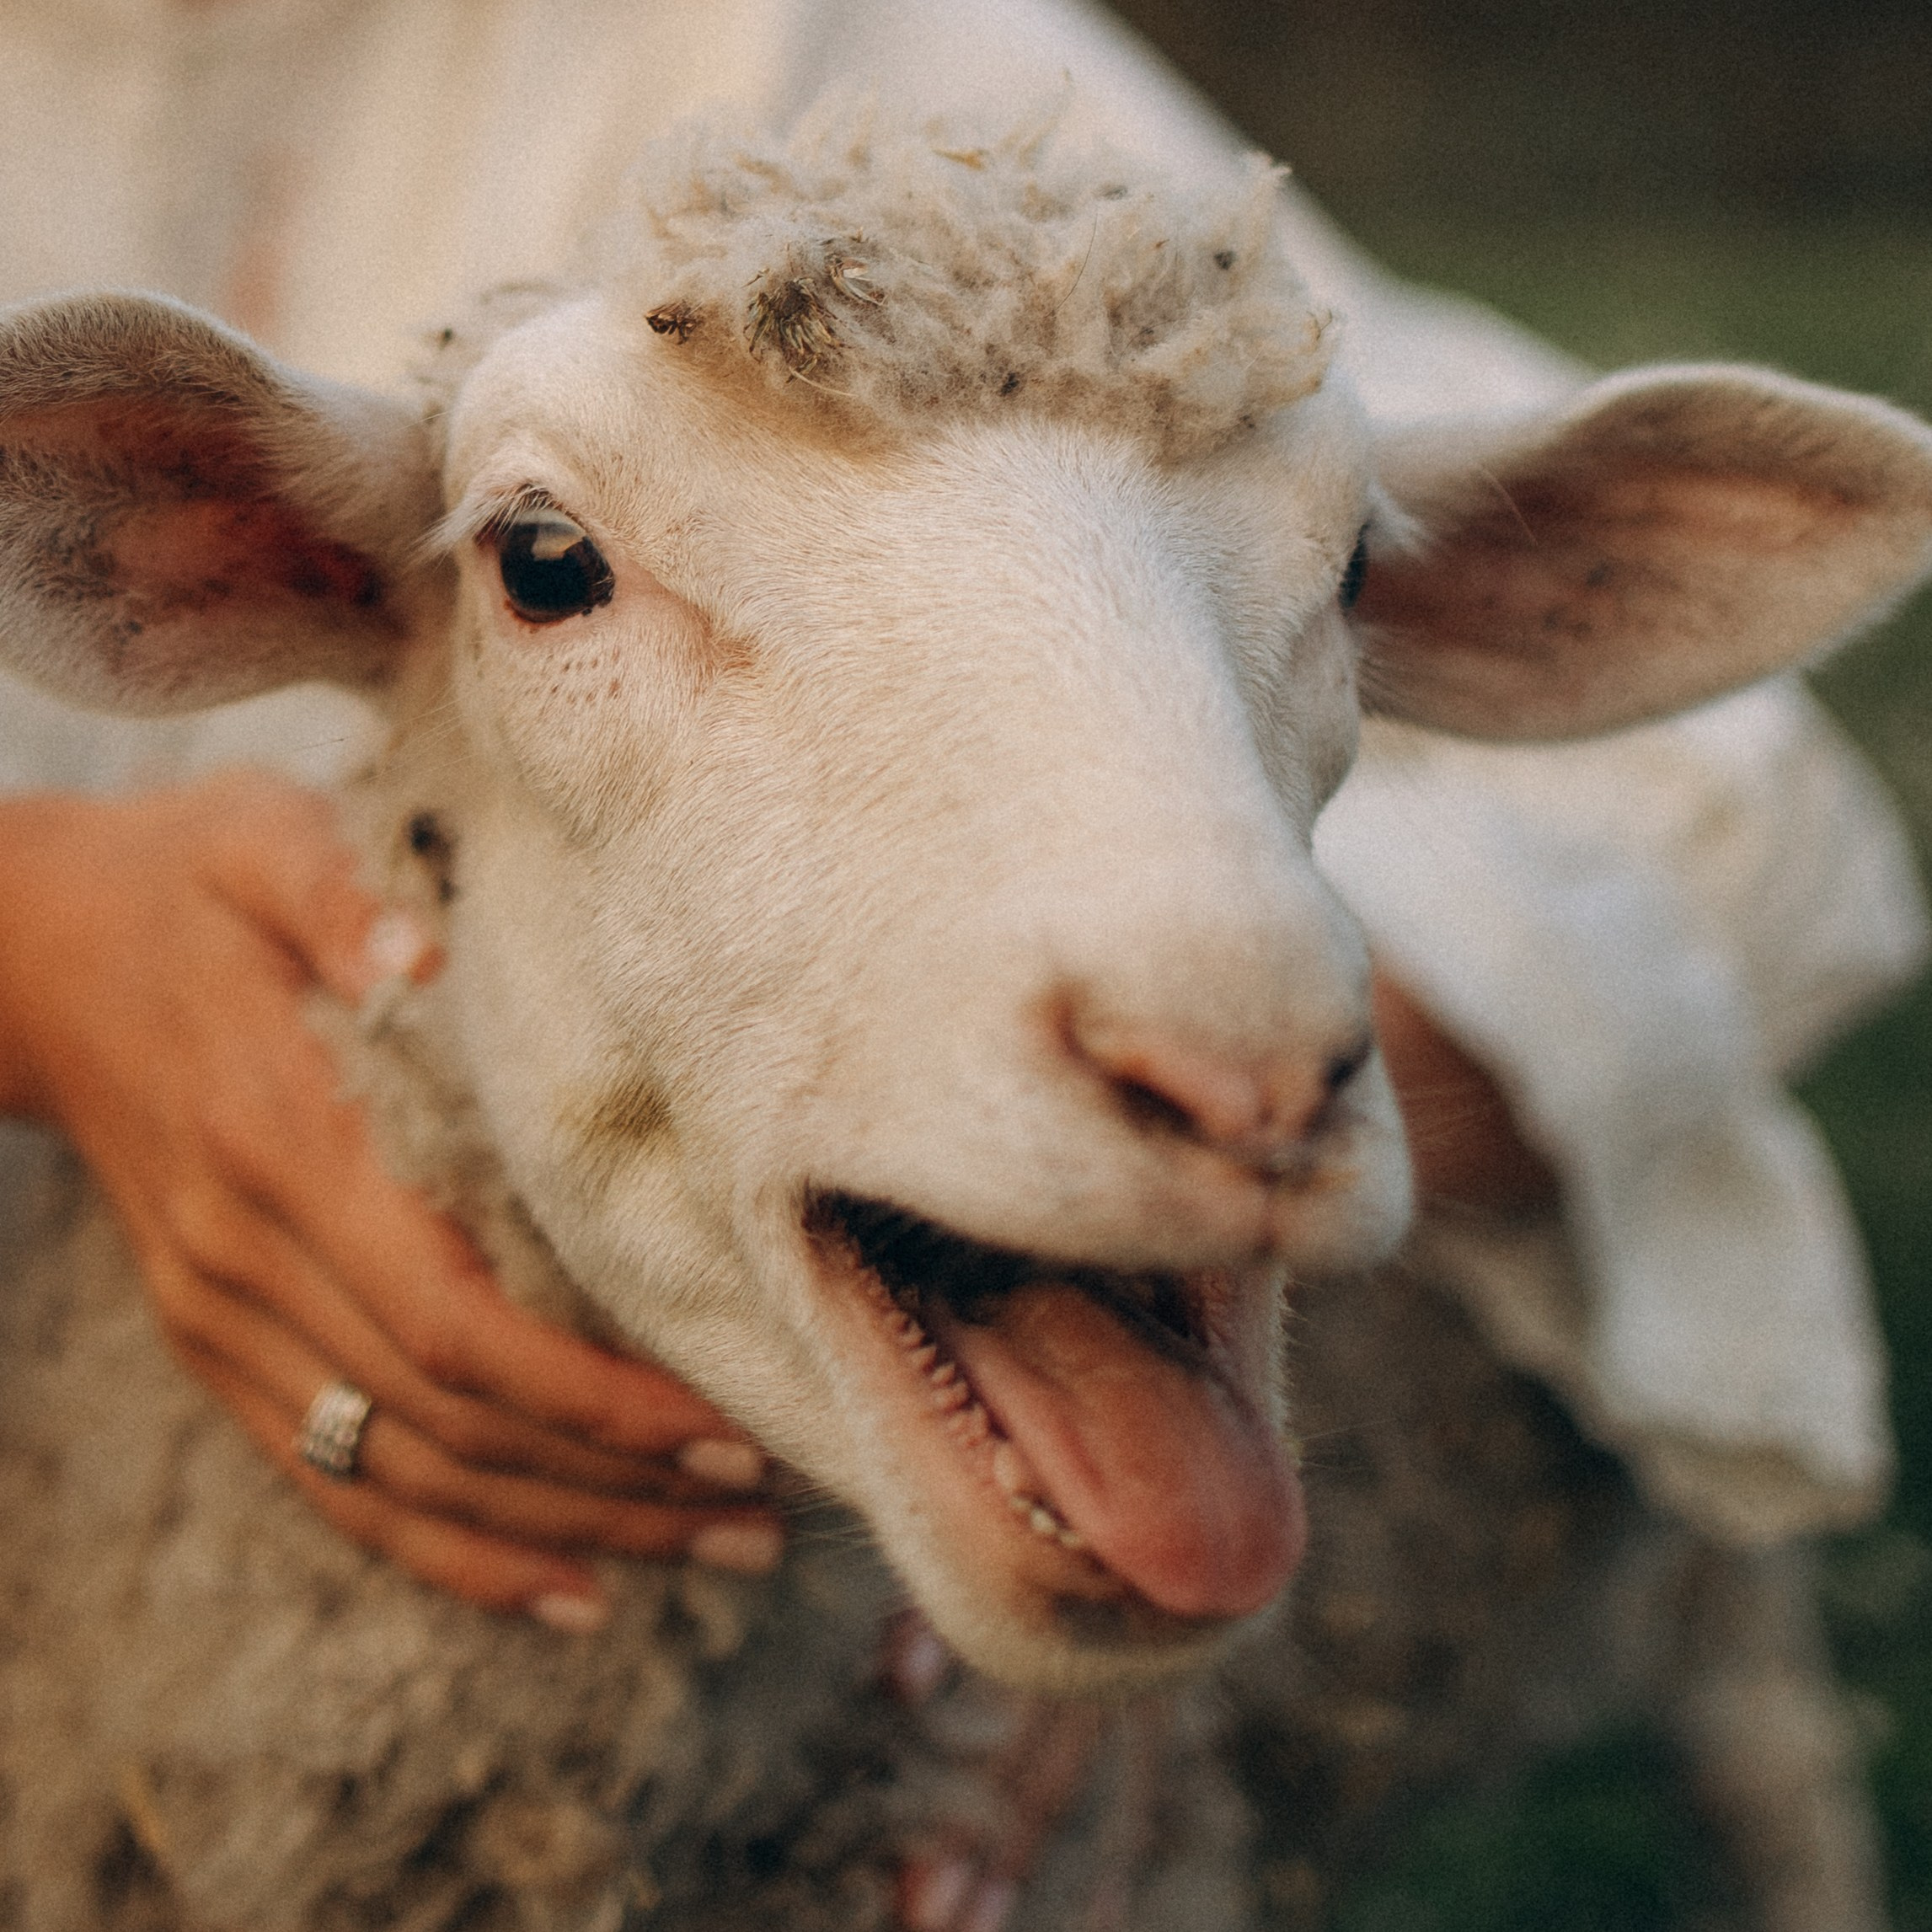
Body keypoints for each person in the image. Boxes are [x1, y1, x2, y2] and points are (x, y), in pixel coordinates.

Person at [0, 0, 1919, 1671]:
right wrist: (37, 945)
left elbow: (1742, 813)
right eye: (557, 561)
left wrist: (1128, 1146)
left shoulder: (840, 42)